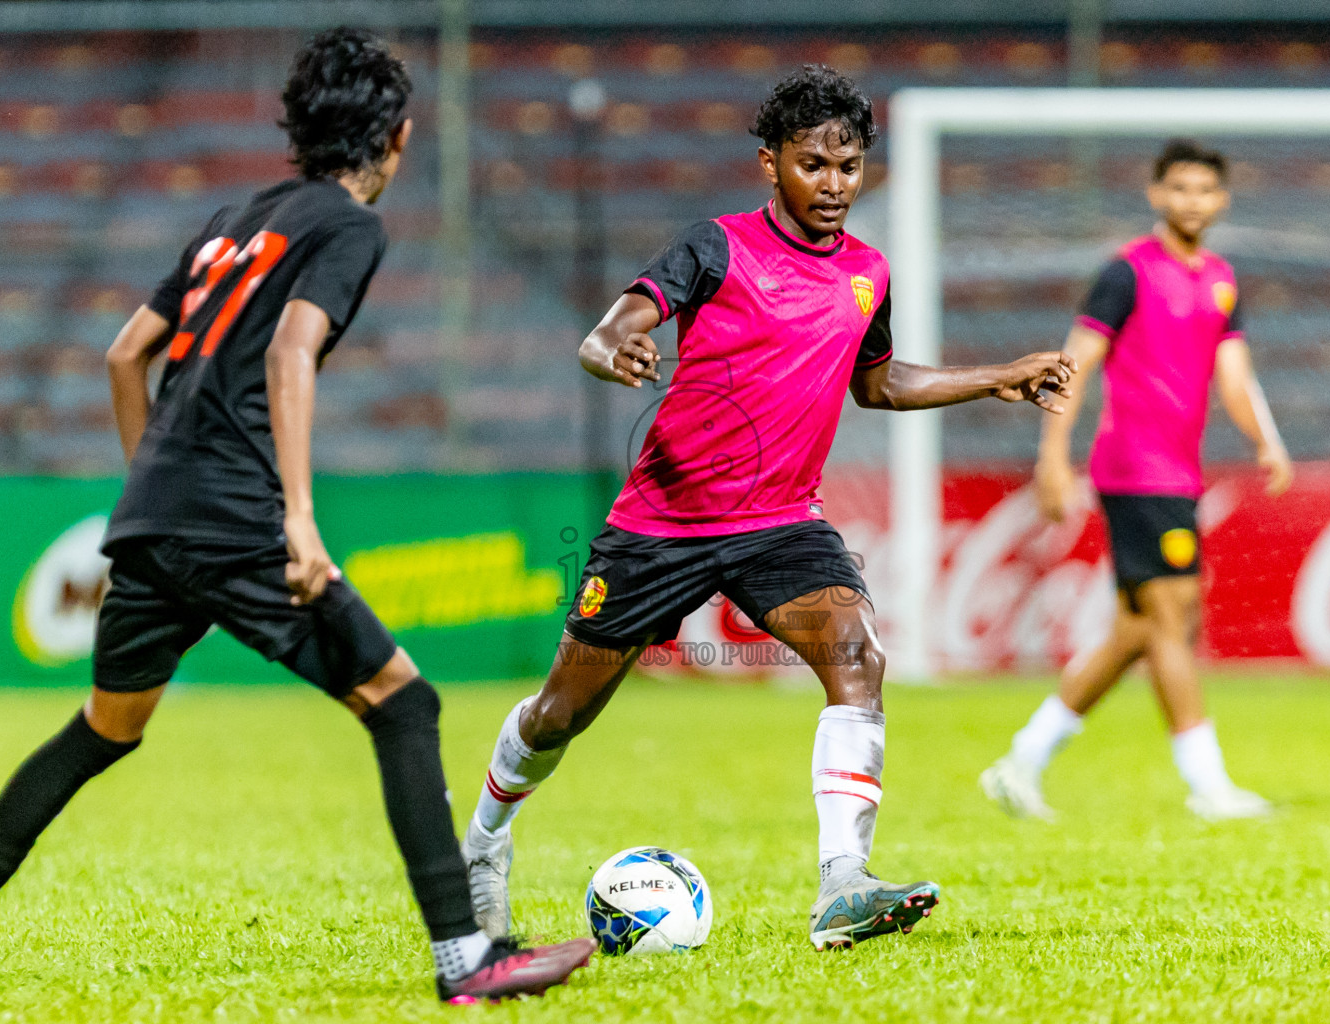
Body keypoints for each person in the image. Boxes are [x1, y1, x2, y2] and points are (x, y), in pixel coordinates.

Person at [0, 28, 594, 1006]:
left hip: (155, 514)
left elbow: (126, 354)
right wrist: (298, 520)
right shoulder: (348, 227)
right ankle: (468, 957)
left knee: (105, 728)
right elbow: (292, 353)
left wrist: (148, 495)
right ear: (400, 138)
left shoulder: (233, 218)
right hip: (236, 514)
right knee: (405, 705)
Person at [456, 64, 1078, 952]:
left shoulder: (869, 272)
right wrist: (614, 353)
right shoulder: (713, 247)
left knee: (856, 655)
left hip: (781, 523)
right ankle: (483, 842)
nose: (834, 186)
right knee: (563, 712)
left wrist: (997, 375)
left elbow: (877, 383)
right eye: (813, 164)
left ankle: (842, 884)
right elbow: (613, 328)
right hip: (661, 527)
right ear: (769, 163)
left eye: (850, 166)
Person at [980, 138, 1294, 824]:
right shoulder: (1126, 273)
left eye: (1204, 190)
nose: (1191, 201)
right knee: (1173, 620)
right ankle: (1207, 784)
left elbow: (1234, 375)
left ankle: (1022, 761)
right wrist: (1053, 457)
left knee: (1138, 629)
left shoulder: (1220, 279)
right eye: (1178, 189)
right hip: (1134, 469)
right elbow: (1074, 365)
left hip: (1180, 474)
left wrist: (1265, 439)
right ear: (1156, 195)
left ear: (1222, 200)